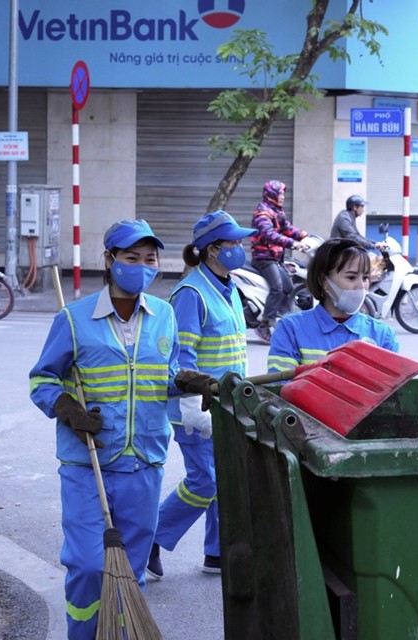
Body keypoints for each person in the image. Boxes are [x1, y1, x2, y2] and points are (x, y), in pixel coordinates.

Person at [28, 219, 214, 640]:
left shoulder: (164, 315)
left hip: (144, 462)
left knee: (130, 570)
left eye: (150, 259)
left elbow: (162, 375)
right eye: (132, 258)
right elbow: (42, 379)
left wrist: (184, 380)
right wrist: (65, 407)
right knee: (89, 566)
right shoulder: (74, 319)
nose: (143, 267)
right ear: (110, 261)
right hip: (87, 463)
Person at [148, 210, 256, 579]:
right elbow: (181, 357)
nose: (240, 249)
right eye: (234, 243)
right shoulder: (191, 293)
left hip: (225, 402)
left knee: (225, 478)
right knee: (206, 481)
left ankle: (217, 553)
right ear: (212, 250)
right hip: (196, 408)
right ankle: (151, 538)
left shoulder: (229, 287)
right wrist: (195, 407)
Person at [267, 238, 399, 375]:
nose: (361, 286)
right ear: (324, 281)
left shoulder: (383, 334)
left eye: (365, 278)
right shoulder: (291, 329)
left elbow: (393, 389)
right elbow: (280, 387)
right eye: (351, 277)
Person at [250, 179, 309, 344]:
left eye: (283, 193)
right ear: (272, 194)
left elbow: (287, 229)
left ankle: (280, 319)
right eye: (280, 193)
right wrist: (293, 243)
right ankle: (263, 325)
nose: (283, 196)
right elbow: (270, 235)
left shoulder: (277, 210)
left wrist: (305, 236)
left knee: (289, 286)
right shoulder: (263, 213)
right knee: (277, 288)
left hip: (275, 258)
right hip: (263, 258)